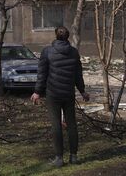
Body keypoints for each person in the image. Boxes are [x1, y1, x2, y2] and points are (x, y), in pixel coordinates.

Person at [31, 26, 90, 168]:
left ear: (56, 36)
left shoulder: (47, 52)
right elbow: (78, 75)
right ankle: (74, 156)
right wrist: (82, 91)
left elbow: (42, 74)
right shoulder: (74, 52)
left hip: (53, 94)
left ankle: (59, 158)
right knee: (72, 125)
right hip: (68, 94)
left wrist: (37, 91)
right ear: (68, 37)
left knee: (56, 125)